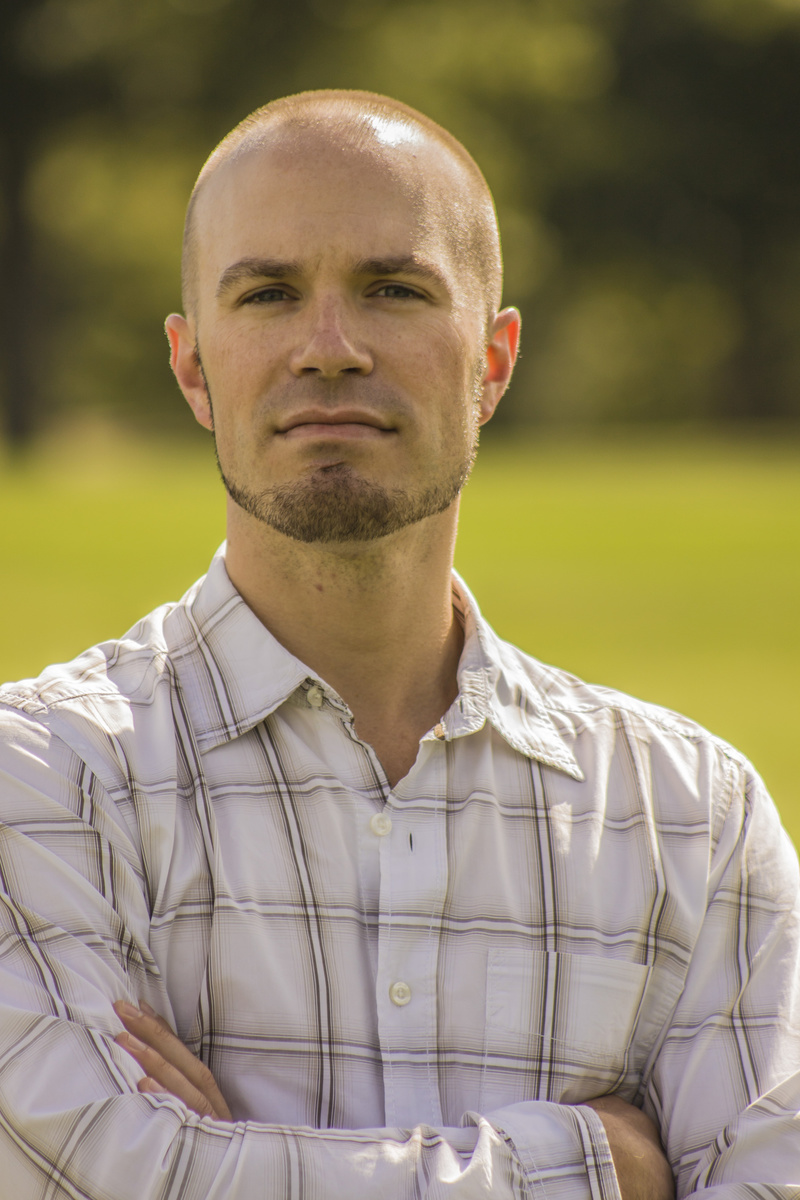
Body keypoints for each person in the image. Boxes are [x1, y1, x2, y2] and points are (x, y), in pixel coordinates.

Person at [0, 88, 797, 1200]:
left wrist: (219, 1166)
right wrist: (596, 1165)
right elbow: (87, 1178)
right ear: (191, 366)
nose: (327, 348)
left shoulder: (688, 819)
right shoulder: (41, 780)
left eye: (393, 289)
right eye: (268, 293)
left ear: (492, 360)